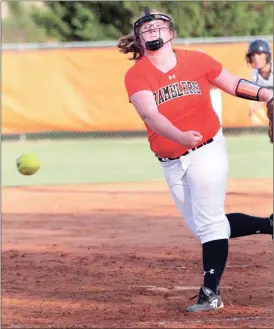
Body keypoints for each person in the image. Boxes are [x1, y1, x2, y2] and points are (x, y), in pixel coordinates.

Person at [118, 8, 273, 313]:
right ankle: (269, 224)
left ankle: (210, 294)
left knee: (210, 221)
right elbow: (150, 113)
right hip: (171, 157)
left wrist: (266, 94)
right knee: (200, 225)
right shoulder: (136, 75)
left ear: (171, 33)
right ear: (138, 39)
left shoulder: (197, 60)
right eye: (146, 29)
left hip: (207, 148)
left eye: (159, 26)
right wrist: (178, 136)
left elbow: (233, 83)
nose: (153, 31)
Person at [245, 39, 273, 121]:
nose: (256, 58)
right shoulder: (255, 74)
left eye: (260, 54)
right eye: (253, 55)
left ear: (267, 55)